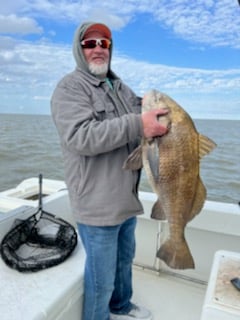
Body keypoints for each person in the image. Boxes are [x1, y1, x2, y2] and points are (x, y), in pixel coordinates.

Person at [51, 21, 168, 320]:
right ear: (79, 49)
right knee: (101, 279)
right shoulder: (69, 88)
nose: (99, 49)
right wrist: (139, 123)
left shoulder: (121, 87)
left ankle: (121, 306)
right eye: (91, 44)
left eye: (105, 43)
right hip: (96, 203)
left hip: (125, 199)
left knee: (124, 261)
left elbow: (143, 110)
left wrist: (164, 114)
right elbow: (81, 136)